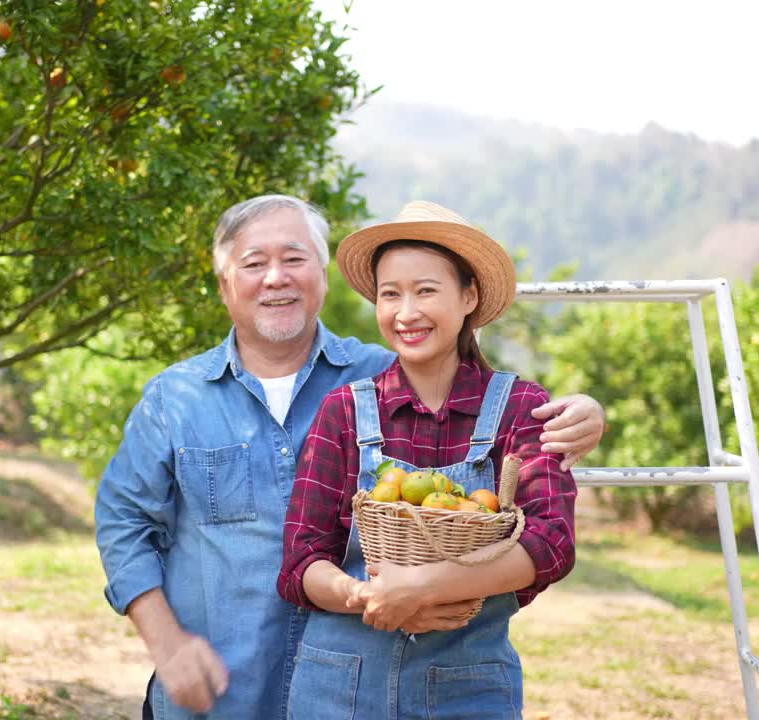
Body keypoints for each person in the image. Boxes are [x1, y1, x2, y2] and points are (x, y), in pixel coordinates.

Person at [94, 195, 603, 720]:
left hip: (412, 685)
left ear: (322, 274)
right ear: (224, 285)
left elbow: (543, 519)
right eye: (253, 263)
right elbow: (123, 522)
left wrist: (582, 414)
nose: (275, 278)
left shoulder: (388, 375)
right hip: (225, 693)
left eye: (294, 258)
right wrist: (168, 644)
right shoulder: (177, 398)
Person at [277, 200, 574, 719]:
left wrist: (421, 589)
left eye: (426, 291)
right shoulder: (344, 412)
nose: (406, 312)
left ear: (469, 296)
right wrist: (368, 596)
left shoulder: (520, 408)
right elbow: (301, 562)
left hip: (469, 689)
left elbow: (551, 541)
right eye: (390, 294)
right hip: (338, 687)